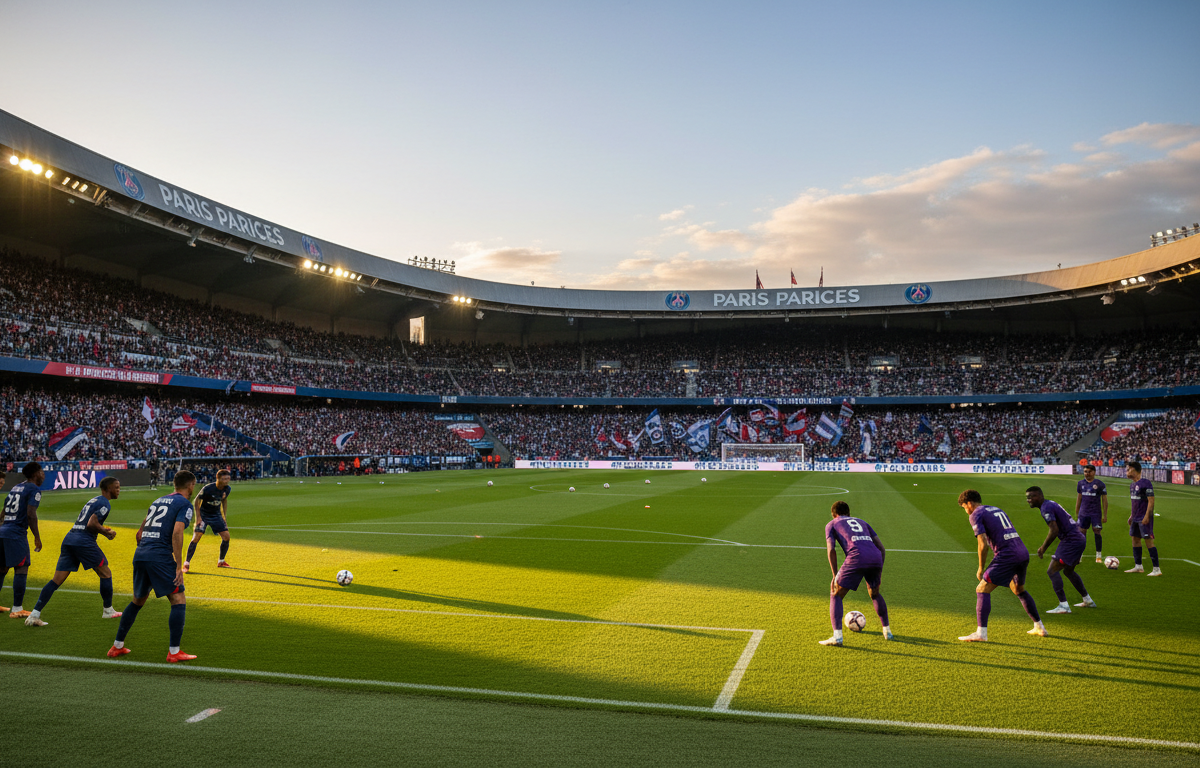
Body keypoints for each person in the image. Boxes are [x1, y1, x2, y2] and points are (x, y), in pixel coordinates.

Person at [107, 470, 197, 663]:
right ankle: (174, 652)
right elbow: (177, 533)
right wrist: (178, 566)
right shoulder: (184, 504)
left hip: (141, 554)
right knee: (178, 598)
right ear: (191, 485)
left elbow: (139, 534)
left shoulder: (157, 501)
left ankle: (117, 646)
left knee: (137, 601)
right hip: (160, 556)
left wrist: (146, 552)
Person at [24, 477, 124, 627]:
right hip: (83, 541)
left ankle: (34, 615)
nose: (118, 490)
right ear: (108, 489)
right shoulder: (105, 503)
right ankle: (108, 610)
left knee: (56, 581)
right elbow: (91, 524)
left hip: (70, 539)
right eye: (116, 487)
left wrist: (103, 532)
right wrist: (106, 532)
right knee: (105, 572)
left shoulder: (95, 499)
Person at [957, 489, 1047, 642]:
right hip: (1022, 552)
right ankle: (1039, 626)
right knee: (1018, 589)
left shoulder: (976, 514)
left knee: (982, 589)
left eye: (964, 507)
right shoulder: (996, 509)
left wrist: (980, 568)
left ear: (969, 503)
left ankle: (981, 633)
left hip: (1007, 555)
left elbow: (982, 544)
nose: (966, 511)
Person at [819, 500, 892, 646]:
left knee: (835, 592)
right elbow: (882, 548)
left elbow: (831, 549)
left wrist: (834, 575)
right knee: (875, 593)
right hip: (876, 557)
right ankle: (887, 632)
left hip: (856, 556)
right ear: (849, 513)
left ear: (834, 514)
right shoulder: (862, 522)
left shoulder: (832, 524)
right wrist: (879, 572)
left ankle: (837, 637)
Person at [1027, 486, 1095, 614]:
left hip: (1071, 540)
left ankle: (1063, 606)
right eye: (1027, 497)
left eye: (1031, 497)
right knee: (1069, 571)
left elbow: (1054, 530)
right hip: (1077, 538)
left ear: (1040, 496)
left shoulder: (1046, 508)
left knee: (1052, 571)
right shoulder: (1049, 504)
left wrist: (1043, 548)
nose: (1029, 500)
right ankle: (1088, 600)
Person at [0, 462, 45, 618]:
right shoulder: (34, 489)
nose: (43, 475)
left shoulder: (16, 487)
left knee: (2, 569)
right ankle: (17, 608)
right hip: (16, 533)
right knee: (21, 568)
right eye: (41, 472)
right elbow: (31, 514)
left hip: (3, 531)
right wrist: (37, 537)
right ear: (35, 474)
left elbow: (5, 509)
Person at [183, 469, 233, 572]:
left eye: (228, 478)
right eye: (224, 479)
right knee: (196, 537)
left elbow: (224, 500)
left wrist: (224, 517)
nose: (227, 481)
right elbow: (196, 501)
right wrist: (198, 518)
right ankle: (186, 564)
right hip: (204, 515)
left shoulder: (227, 489)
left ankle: (221, 561)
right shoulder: (208, 488)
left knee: (226, 537)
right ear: (218, 478)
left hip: (216, 515)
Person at [1125, 461, 1160, 576]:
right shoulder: (1131, 485)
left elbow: (1151, 501)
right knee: (1135, 539)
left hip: (1144, 518)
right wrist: (1131, 515)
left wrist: (1146, 516)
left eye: (1128, 469)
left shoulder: (1146, 483)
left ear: (1135, 470)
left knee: (1148, 541)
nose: (1127, 472)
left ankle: (1156, 569)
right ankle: (1138, 566)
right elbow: (1135, 502)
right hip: (1135, 517)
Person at [1075, 465, 1107, 563]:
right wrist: (1077, 511)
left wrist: (1105, 515)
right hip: (1083, 513)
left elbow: (1104, 500)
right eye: (1085, 471)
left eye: (1089, 471)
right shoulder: (1080, 483)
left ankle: (1098, 555)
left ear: (1094, 472)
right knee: (1082, 533)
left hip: (1095, 513)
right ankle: (1079, 555)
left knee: (1097, 531)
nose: (1087, 474)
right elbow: (1079, 498)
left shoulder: (1100, 484)